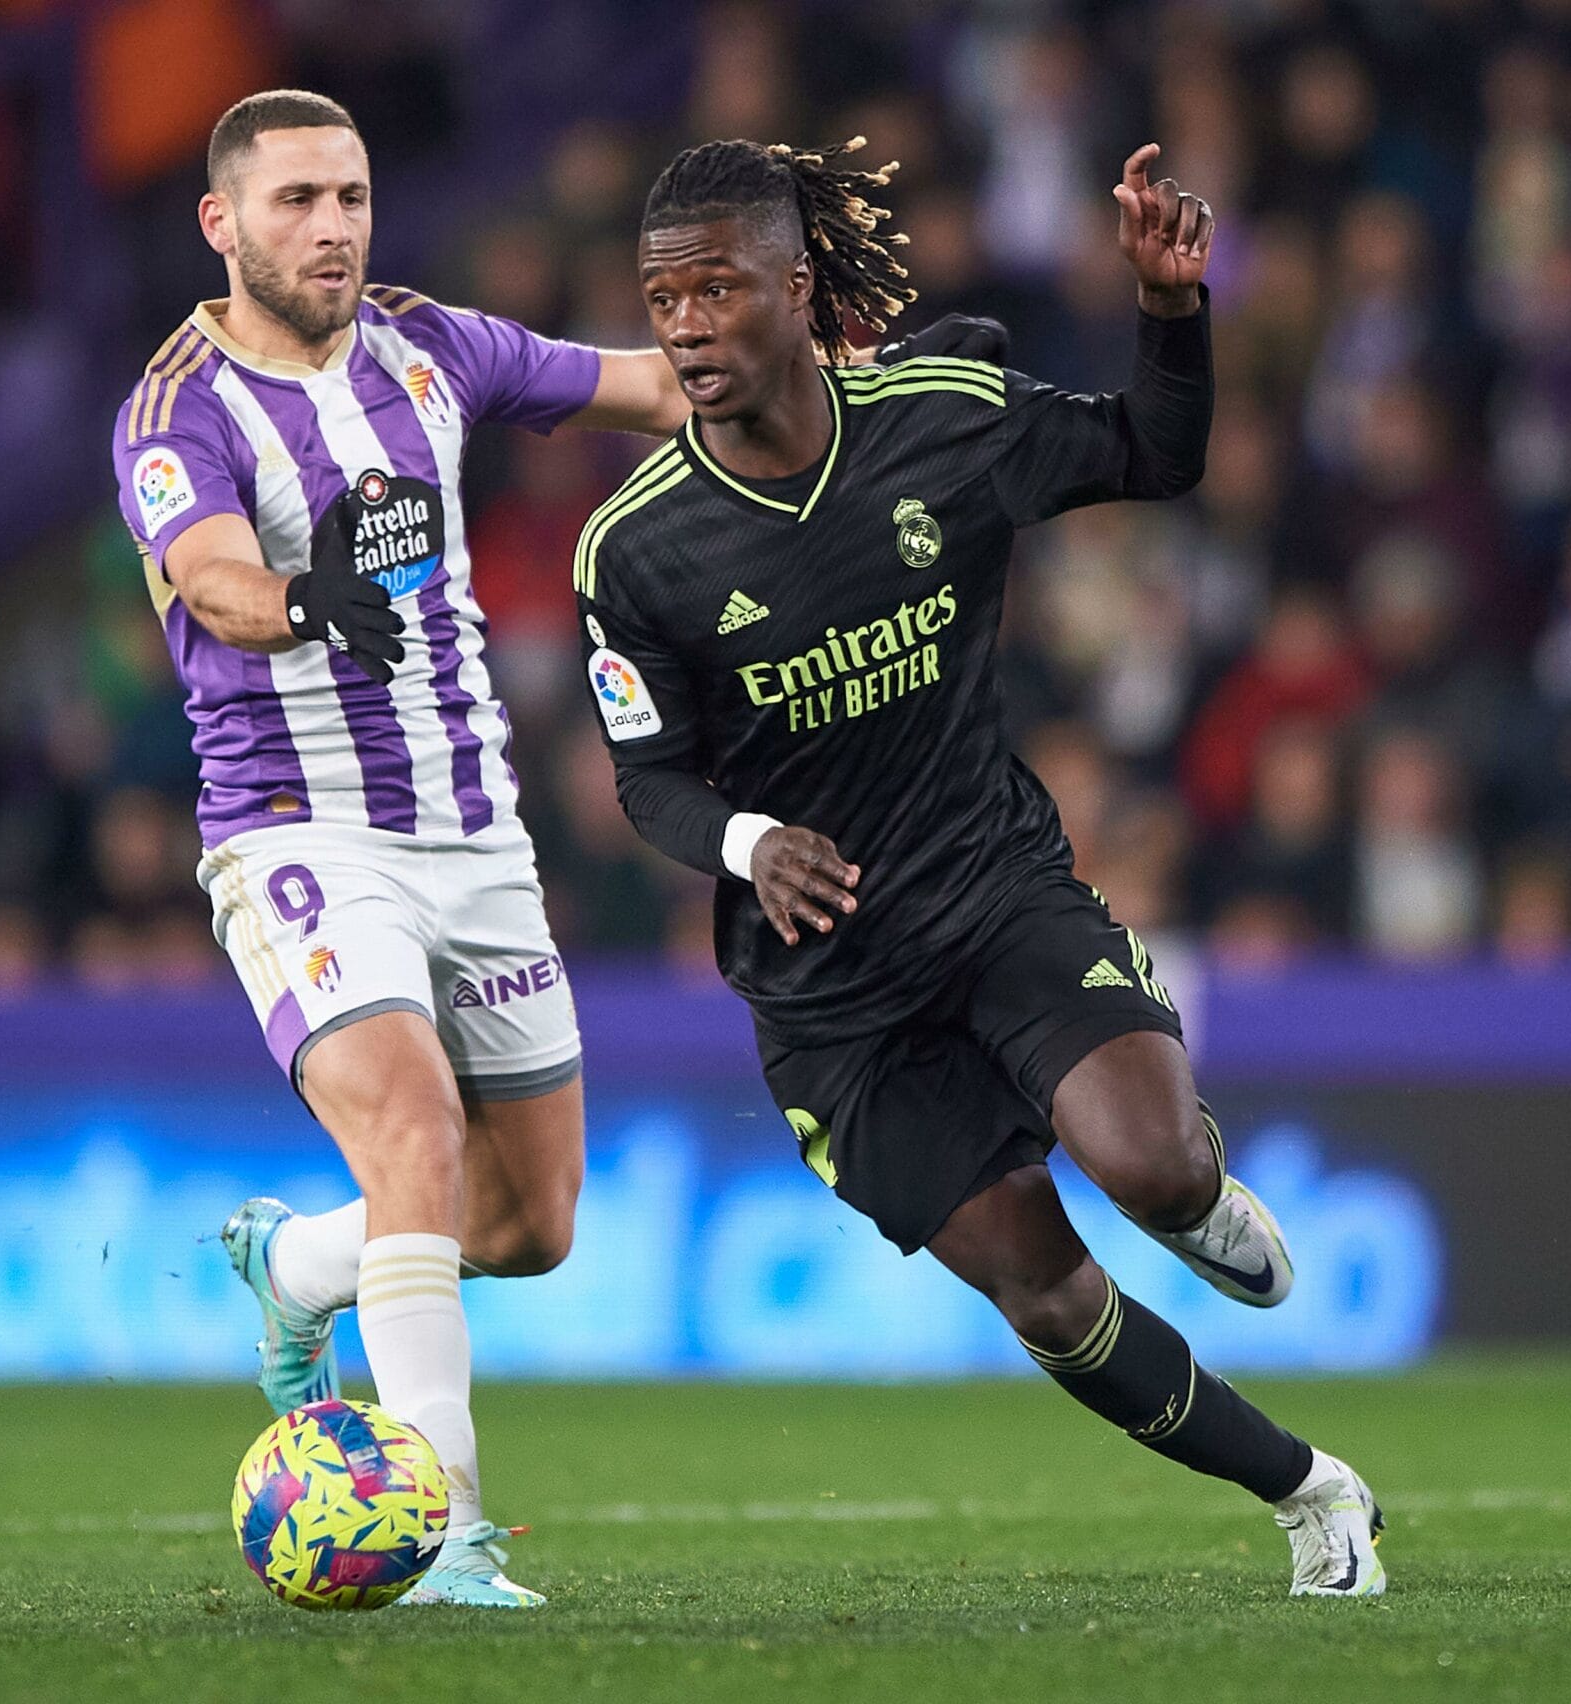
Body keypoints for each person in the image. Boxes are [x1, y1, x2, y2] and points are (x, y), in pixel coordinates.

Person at [111, 90, 996, 1608]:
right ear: (223, 225)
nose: (330, 228)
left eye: (350, 196)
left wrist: (846, 376)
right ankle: (445, 1528)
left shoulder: (430, 346)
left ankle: (300, 1268)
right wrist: (304, 597)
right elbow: (207, 579)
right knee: (410, 1127)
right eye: (295, 202)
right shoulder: (177, 408)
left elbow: (653, 387)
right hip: (298, 832)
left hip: (473, 836)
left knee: (528, 1226)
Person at [575, 137, 1389, 1597]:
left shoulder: (942, 421)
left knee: (1147, 1165)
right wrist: (753, 845)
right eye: (660, 298)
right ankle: (1310, 1491)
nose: (685, 326)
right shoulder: (635, 550)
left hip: (994, 889)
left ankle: (1201, 1194)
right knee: (1046, 1289)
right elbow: (648, 779)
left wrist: (1167, 310)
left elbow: (1159, 450)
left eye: (715, 290)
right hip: (833, 1000)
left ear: (797, 287)